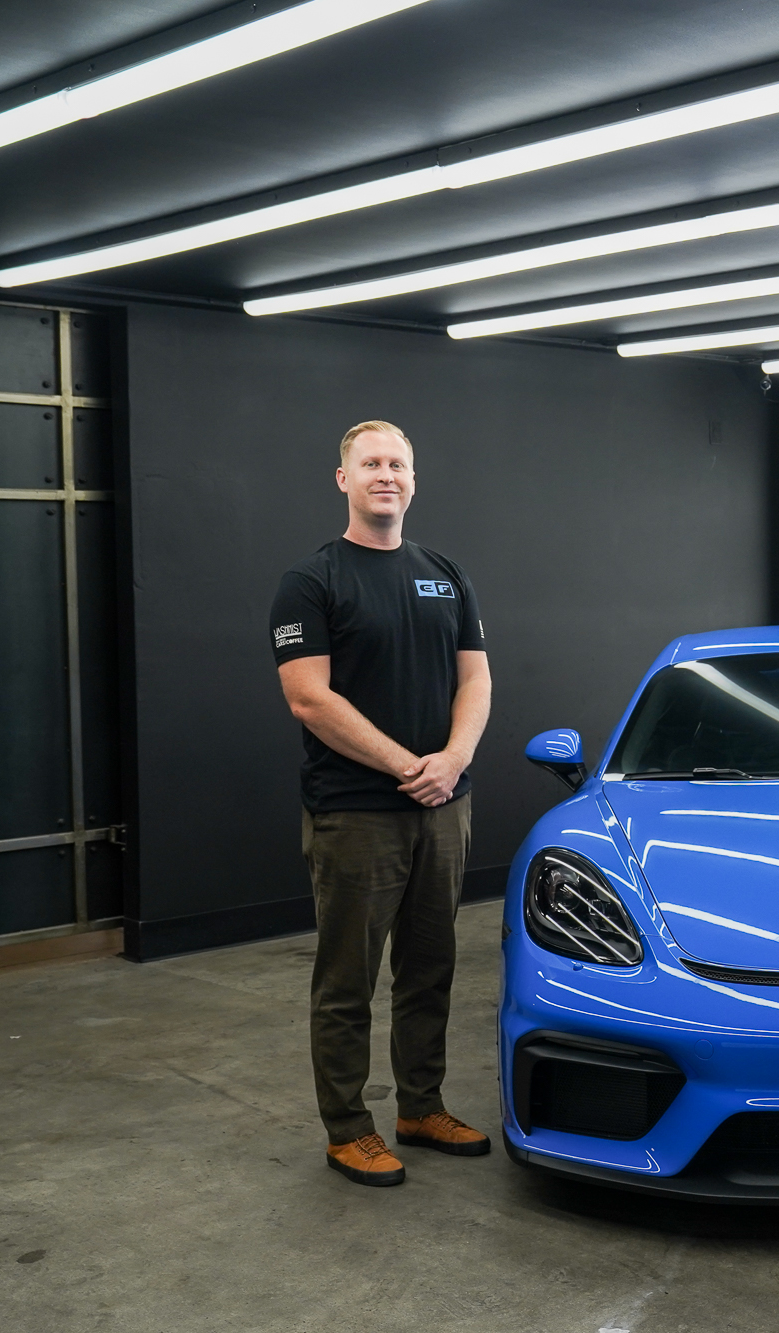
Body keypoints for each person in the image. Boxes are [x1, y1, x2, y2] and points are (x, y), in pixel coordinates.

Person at [270, 420, 493, 1187]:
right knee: (347, 979)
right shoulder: (312, 581)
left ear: (413, 479)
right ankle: (347, 1127)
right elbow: (308, 697)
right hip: (358, 810)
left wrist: (454, 760)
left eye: (398, 463)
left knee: (430, 967)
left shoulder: (445, 572)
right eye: (371, 463)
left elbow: (476, 679)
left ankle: (420, 1105)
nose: (385, 474)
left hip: (444, 807)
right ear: (344, 479)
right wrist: (411, 766)